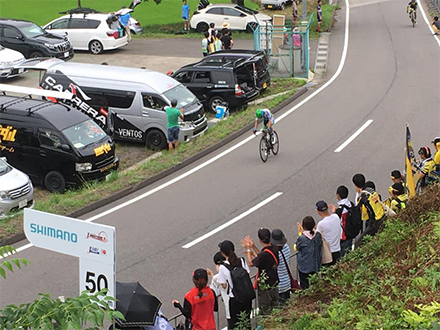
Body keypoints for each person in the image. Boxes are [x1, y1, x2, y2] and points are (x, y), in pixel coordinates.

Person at [241, 228, 279, 315]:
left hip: (265, 286)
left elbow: (251, 263)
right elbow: (261, 256)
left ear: (260, 239)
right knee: (276, 308)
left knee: (265, 310)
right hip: (274, 282)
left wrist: (248, 250)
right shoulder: (274, 247)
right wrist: (253, 247)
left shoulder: (264, 254)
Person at [217, 240, 252, 330]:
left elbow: (224, 285)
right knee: (246, 321)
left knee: (235, 324)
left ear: (222, 253)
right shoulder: (241, 260)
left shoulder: (223, 267)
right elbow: (247, 273)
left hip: (235, 299)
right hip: (246, 297)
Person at [295, 216, 322, 289]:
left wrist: (300, 233)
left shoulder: (302, 238)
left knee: (304, 285)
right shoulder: (318, 235)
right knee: (314, 283)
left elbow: (296, 247)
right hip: (315, 264)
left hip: (304, 266)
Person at [315, 200, 342, 265]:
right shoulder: (336, 217)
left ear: (318, 212)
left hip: (328, 253)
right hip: (337, 249)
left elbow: (316, 235)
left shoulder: (321, 224)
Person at [271, 229, 291, 303]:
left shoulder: (275, 254)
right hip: (287, 282)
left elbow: (264, 258)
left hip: (279, 285)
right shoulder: (286, 248)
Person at [334, 185, 353, 258]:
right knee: (349, 250)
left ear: (338, 196)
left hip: (344, 235)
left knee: (343, 254)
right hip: (351, 231)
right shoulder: (350, 204)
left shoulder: (340, 210)